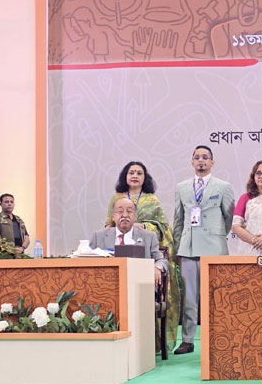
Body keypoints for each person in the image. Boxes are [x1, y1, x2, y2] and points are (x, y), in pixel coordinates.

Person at [104, 161, 181, 353]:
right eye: (131, 172)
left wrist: (143, 227)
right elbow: (108, 225)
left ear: (145, 178)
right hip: (120, 252)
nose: (135, 176)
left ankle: (152, 344)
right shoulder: (116, 199)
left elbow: (164, 227)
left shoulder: (152, 200)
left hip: (146, 254)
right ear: (125, 176)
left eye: (139, 173)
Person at [172, 145, 235, 354]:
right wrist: (178, 247)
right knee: (190, 298)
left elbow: (229, 218)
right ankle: (188, 340)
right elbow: (178, 220)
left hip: (214, 249)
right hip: (189, 249)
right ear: (192, 162)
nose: (201, 161)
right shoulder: (181, 187)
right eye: (197, 157)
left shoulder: (223, 187)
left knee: (216, 297)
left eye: (205, 157)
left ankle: (219, 338)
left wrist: (216, 235)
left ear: (212, 162)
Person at [91, 198, 168, 283]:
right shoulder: (99, 236)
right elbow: (86, 259)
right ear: (113, 217)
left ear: (135, 217)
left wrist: (157, 267)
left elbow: (161, 260)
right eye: (120, 211)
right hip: (107, 284)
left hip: (139, 284)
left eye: (129, 211)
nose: (125, 215)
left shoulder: (149, 237)